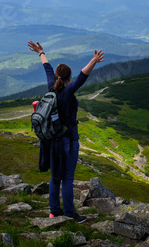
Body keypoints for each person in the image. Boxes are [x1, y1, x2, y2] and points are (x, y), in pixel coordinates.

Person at [28, 40, 104, 222]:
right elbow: (82, 77)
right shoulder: (68, 91)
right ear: (68, 79)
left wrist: (41, 53)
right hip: (68, 141)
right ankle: (70, 213)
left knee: (55, 178)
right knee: (67, 179)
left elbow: (47, 69)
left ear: (57, 77)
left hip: (52, 142)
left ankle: (54, 211)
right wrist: (93, 60)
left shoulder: (51, 88)